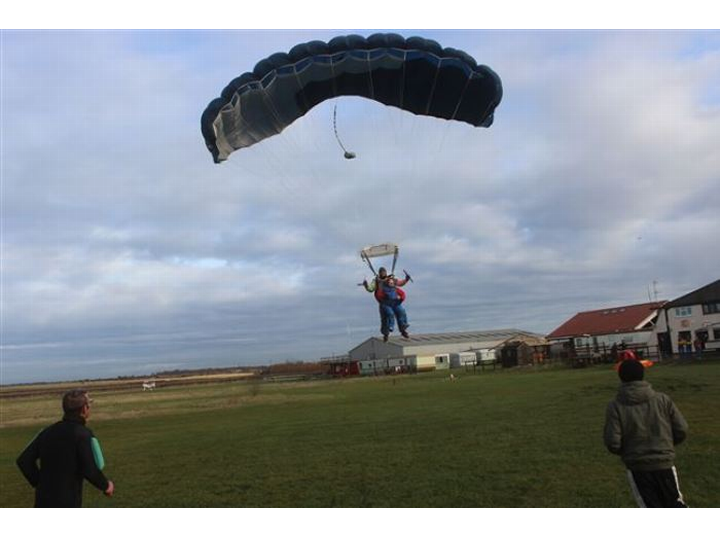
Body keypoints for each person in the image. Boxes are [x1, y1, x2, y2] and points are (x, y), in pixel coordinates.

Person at [603, 360, 689, 508]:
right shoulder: (662, 399)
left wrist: (629, 452)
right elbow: (681, 429)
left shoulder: (615, 406)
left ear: (621, 377)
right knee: (675, 503)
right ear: (643, 375)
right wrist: (665, 446)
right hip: (665, 464)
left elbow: (613, 442)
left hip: (638, 468)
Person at [17, 389, 114, 508]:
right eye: (89, 405)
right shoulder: (83, 434)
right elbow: (90, 469)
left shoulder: (47, 432)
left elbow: (24, 461)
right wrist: (106, 486)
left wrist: (40, 483)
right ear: (84, 409)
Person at [363, 267, 411, 342]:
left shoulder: (391, 279)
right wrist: (366, 285)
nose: (383, 273)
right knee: (386, 317)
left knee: (401, 312)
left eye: (384, 272)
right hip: (384, 303)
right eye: (381, 272)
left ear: (386, 272)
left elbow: (400, 283)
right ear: (379, 273)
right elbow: (370, 289)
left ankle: (403, 329)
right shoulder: (376, 281)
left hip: (394, 301)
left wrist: (406, 279)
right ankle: (386, 334)